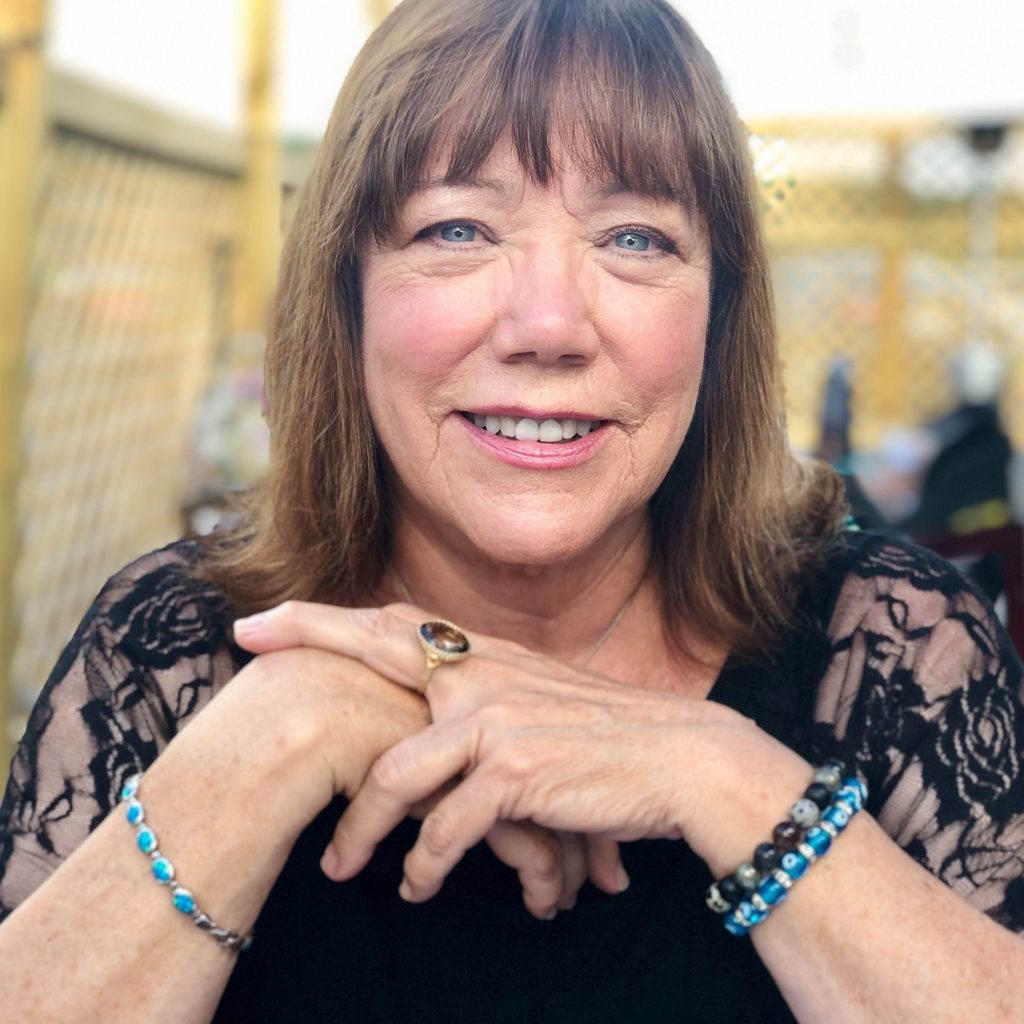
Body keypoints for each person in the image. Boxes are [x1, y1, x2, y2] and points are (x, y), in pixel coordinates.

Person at [1, 1, 1022, 1020]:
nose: (549, 324)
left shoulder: (891, 651)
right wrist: (284, 724)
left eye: (633, 237)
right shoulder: (171, 646)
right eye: (457, 228)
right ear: (347, 290)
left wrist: (721, 774)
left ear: (719, 313)